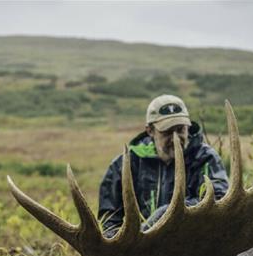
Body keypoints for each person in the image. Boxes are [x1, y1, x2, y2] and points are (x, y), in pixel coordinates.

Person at [98, 94, 229, 237]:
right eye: (167, 132)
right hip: (143, 248)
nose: (176, 138)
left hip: (193, 242)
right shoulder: (124, 165)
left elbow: (218, 202)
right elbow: (109, 222)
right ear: (150, 131)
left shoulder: (205, 157)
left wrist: (168, 213)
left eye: (180, 129)